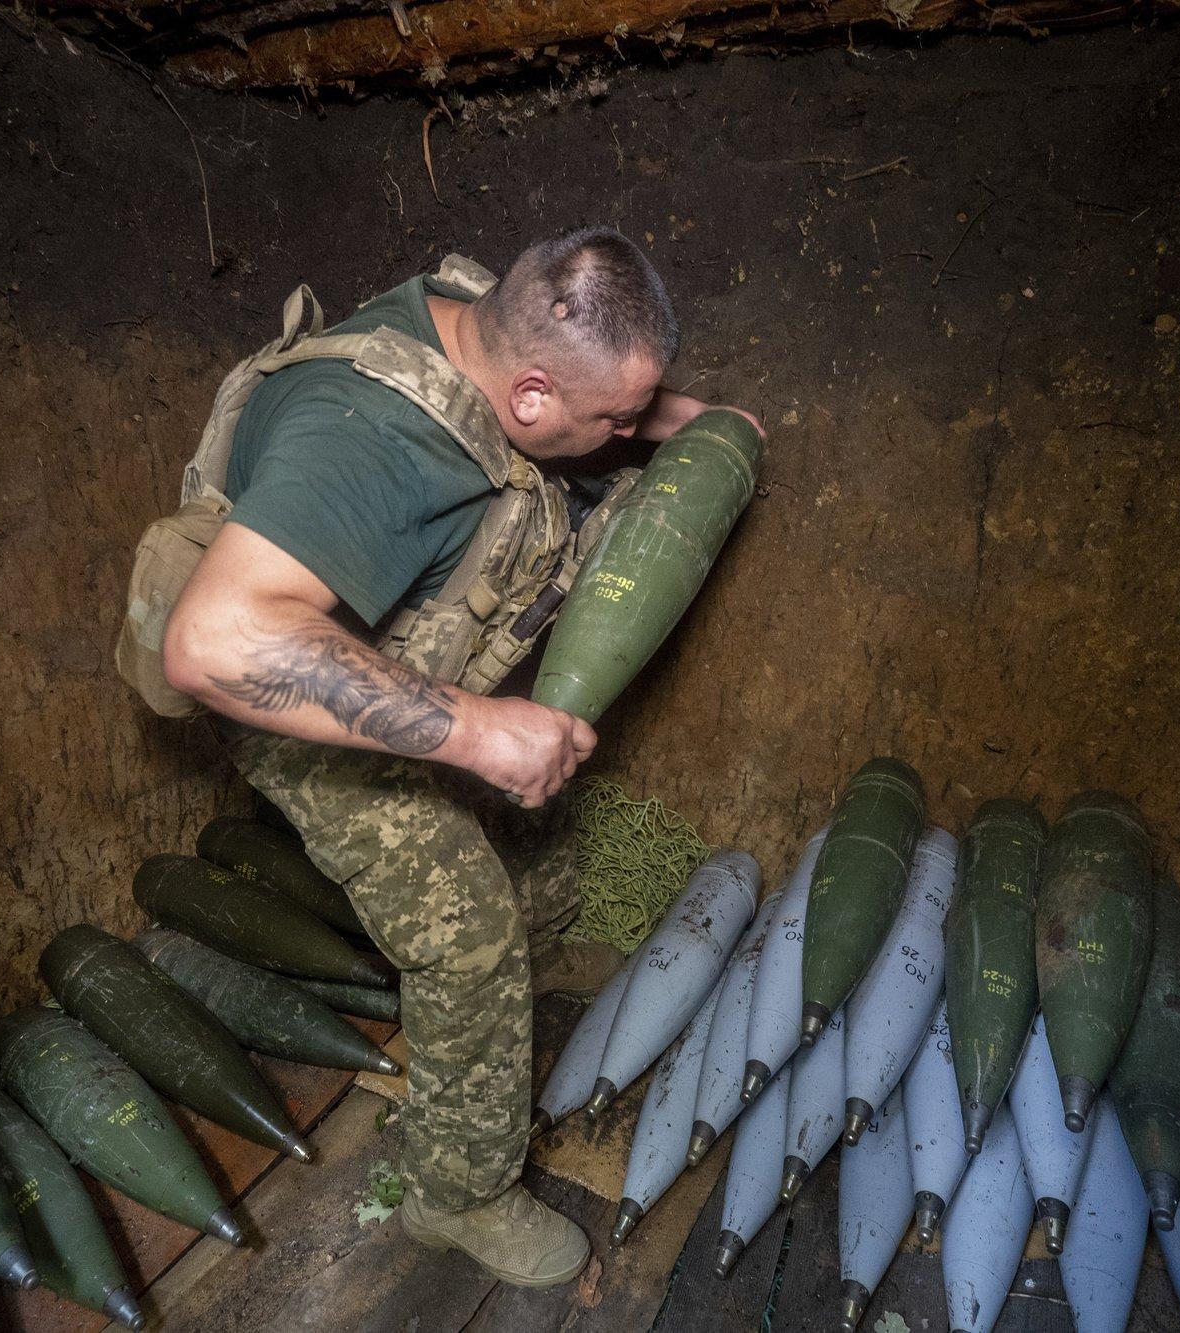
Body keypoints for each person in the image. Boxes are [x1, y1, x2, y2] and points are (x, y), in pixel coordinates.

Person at [156, 226, 761, 1287]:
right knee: (469, 932)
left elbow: (612, 403)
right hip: (286, 678)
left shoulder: (484, 316)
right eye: (613, 418)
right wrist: (478, 732)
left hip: (394, 633)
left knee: (537, 863)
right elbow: (213, 643)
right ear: (528, 397)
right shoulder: (368, 444)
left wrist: (683, 426)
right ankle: (456, 1194)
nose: (633, 433)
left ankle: (477, 995)